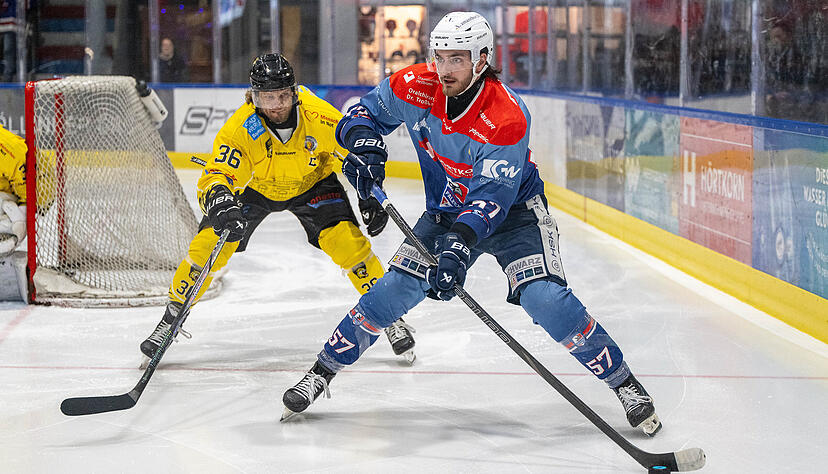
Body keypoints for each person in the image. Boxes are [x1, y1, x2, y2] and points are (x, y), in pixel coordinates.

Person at [282, 11, 662, 437]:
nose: (443, 69)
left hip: (514, 215)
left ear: (482, 59)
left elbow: (491, 199)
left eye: (456, 59)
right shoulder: (416, 85)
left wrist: (457, 250)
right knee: (391, 292)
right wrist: (367, 148)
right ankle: (321, 372)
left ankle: (624, 383)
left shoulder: (507, 115)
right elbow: (359, 113)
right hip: (446, 212)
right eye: (438, 56)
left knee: (545, 301)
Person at [140, 53, 416, 363]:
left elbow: (353, 155)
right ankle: (170, 320)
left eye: (282, 95)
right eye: (266, 97)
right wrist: (219, 199)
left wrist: (368, 194)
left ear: (295, 92)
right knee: (207, 247)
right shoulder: (240, 128)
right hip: (255, 188)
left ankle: (389, 316)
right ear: (253, 96)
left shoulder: (320, 117)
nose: (275, 105)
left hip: (312, 184)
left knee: (351, 247)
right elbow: (216, 174)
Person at [0, 122, 26, 256]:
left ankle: (11, 228)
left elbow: (22, 173)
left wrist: (21, 215)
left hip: (30, 192)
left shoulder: (5, 146)